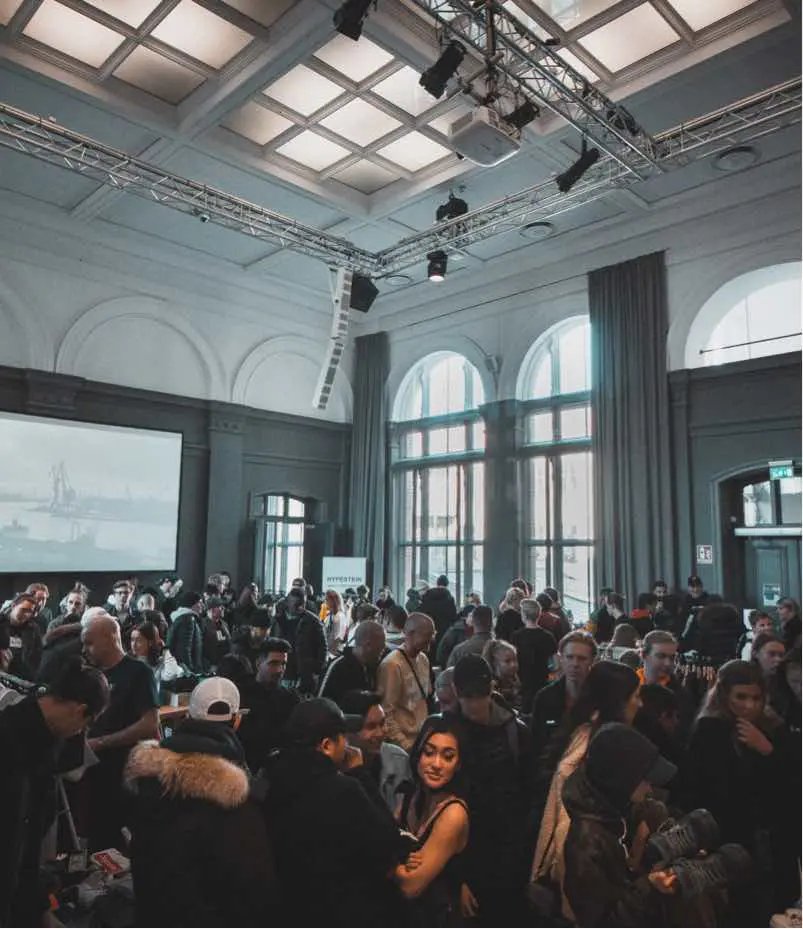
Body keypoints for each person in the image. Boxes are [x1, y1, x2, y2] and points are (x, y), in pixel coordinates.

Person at [125, 677, 276, 927]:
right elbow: (253, 882)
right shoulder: (237, 795)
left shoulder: (149, 775)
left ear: (188, 717)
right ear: (237, 720)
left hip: (151, 914)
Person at [263, 698, 407, 926]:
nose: (347, 743)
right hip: (342, 912)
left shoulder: (270, 780)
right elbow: (388, 841)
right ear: (327, 745)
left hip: (291, 910)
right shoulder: (342, 790)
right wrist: (359, 773)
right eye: (343, 737)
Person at [0, 658, 109, 927]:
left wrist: (38, 907)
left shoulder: (48, 741)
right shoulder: (9, 738)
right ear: (79, 711)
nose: (80, 733)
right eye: (86, 725)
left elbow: (31, 839)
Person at [683, 660, 792, 922]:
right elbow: (705, 788)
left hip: (770, 842)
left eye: (756, 698)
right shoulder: (710, 730)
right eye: (741, 697)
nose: (749, 705)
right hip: (726, 841)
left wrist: (768, 751)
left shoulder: (774, 728)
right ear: (724, 695)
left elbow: (788, 785)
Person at [531, 661, 641, 918]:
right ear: (618, 701)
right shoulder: (588, 748)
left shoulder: (590, 736)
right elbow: (565, 822)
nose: (640, 703)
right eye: (636, 696)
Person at [562, 723, 678, 927]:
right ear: (621, 780)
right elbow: (603, 922)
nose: (650, 788)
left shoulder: (617, 809)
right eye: (645, 780)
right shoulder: (585, 845)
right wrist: (648, 886)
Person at [452, 654, 533, 924]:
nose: (475, 704)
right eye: (469, 697)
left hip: (509, 854)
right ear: (457, 692)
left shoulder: (516, 732)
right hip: (465, 850)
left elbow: (528, 793)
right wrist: (456, 876)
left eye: (480, 695)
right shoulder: (444, 733)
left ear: (491, 689)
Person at [81, 611, 160, 850]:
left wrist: (101, 743)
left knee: (118, 842)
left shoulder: (139, 673)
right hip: (90, 773)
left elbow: (150, 724)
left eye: (89, 643)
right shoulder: (90, 675)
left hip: (123, 773)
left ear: (109, 638)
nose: (84, 649)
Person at [394, 714, 470, 925]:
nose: (436, 764)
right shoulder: (410, 795)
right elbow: (384, 839)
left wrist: (390, 864)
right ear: (418, 754)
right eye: (429, 753)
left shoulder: (453, 813)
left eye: (448, 757)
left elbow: (410, 886)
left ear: (459, 764)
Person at [530, 631, 597, 772]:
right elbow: (536, 744)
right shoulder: (545, 697)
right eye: (570, 657)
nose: (575, 664)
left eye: (582, 658)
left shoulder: (600, 698)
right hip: (550, 771)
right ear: (561, 659)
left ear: (592, 661)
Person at [339, 689, 411, 814]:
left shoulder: (399, 760)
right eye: (371, 727)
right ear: (348, 731)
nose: (381, 732)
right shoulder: (334, 765)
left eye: (382, 723)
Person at [237, 637, 300, 773]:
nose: (280, 670)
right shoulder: (241, 695)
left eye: (283, 664)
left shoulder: (291, 698)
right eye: (274, 663)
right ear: (259, 663)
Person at [377, 613, 435, 751]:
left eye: (432, 634)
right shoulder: (392, 665)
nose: (431, 639)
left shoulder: (424, 659)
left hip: (421, 740)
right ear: (410, 633)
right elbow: (387, 713)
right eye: (427, 634)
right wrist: (406, 746)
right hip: (403, 745)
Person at [272, 586, 327, 693]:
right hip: (282, 673)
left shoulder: (313, 622)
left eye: (303, 604)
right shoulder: (277, 621)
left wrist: (316, 671)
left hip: (303, 675)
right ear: (288, 603)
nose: (300, 607)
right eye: (297, 604)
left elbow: (322, 648)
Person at [319, 620, 387, 704]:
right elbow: (321, 703)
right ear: (368, 645)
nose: (384, 649)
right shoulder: (337, 667)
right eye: (381, 646)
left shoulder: (373, 667)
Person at [513, 597, 557, 713]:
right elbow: (555, 664)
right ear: (539, 614)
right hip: (542, 681)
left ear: (523, 615)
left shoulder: (516, 636)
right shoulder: (548, 636)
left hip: (523, 681)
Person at [682, 601, 744, 667]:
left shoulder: (704, 621)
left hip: (708, 663)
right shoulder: (733, 618)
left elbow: (692, 645)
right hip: (730, 662)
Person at [0, 592, 42, 680]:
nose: (26, 614)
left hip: (23, 676)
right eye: (23, 609)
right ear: (13, 606)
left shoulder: (33, 629)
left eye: (30, 611)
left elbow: (37, 655)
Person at [130, 619, 184, 687]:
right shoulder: (128, 662)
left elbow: (172, 674)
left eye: (139, 640)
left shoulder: (159, 663)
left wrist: (165, 650)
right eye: (132, 640)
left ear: (150, 642)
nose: (134, 644)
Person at [167, 590, 205, 673]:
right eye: (199, 602)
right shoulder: (188, 620)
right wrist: (190, 671)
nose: (202, 605)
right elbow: (184, 648)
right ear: (192, 604)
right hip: (187, 670)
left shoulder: (182, 618)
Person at [751, 631, 787, 716]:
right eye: (772, 654)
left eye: (781, 655)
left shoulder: (784, 682)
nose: (778, 659)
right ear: (755, 654)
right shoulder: (743, 680)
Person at [482, 637, 521, 711]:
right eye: (507, 661)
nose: (513, 665)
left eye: (515, 660)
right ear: (494, 663)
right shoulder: (490, 689)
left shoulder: (515, 681)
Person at [420, 575, 458, 646]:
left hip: (429, 631)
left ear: (437, 583)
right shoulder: (450, 598)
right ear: (447, 584)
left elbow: (422, 612)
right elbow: (453, 617)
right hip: (444, 632)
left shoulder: (427, 595)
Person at [201, 596, 232, 671]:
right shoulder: (202, 624)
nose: (223, 608)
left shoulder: (224, 624)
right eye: (220, 607)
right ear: (212, 609)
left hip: (225, 665)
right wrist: (207, 665)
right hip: (211, 666)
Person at [321, 588, 348, 659]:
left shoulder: (340, 616)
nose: (325, 602)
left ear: (334, 600)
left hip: (333, 654)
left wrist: (329, 653)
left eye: (327, 599)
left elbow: (338, 638)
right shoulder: (328, 616)